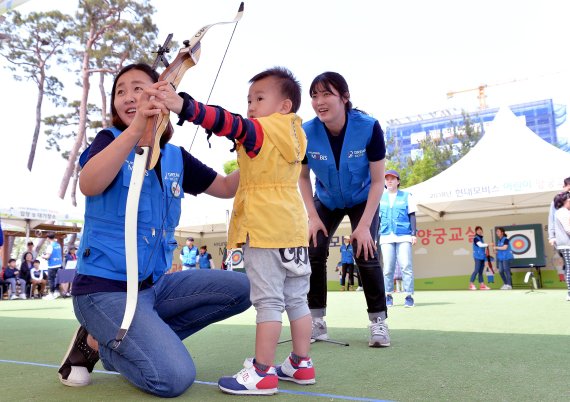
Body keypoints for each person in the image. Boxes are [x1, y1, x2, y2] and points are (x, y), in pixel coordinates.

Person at [56, 63, 251, 397]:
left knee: (245, 288)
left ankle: (108, 340)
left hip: (154, 288)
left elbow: (225, 187)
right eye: (121, 91)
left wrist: (255, 149)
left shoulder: (176, 156)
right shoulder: (110, 139)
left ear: (163, 94)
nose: (129, 97)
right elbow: (88, 183)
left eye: (138, 88)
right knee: (174, 378)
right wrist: (135, 131)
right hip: (104, 291)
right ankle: (104, 343)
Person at [163, 66, 315, 395]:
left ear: (284, 106)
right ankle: (301, 364)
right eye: (249, 100)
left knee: (269, 303)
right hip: (292, 228)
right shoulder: (297, 134)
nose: (251, 106)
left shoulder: (263, 130)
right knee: (297, 301)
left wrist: (185, 107)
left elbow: (227, 122)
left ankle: (262, 373)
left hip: (264, 229)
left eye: (259, 98)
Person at [298, 71, 389, 347]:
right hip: (326, 200)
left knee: (365, 249)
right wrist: (312, 217)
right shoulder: (305, 132)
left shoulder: (369, 127)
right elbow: (302, 177)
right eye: (314, 96)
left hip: (363, 196)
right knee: (314, 248)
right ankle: (316, 321)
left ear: (345, 98)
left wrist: (363, 228)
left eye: (327, 94)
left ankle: (378, 322)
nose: (319, 101)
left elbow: (377, 182)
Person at [379, 169, 417, 308]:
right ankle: (388, 295)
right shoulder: (379, 197)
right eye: (387, 178)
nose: (389, 181)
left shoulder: (407, 196)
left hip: (404, 235)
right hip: (385, 235)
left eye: (392, 178)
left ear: (398, 181)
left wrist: (414, 234)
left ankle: (409, 296)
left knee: (406, 265)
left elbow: (412, 215)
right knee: (388, 267)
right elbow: (376, 219)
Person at [548, 178, 570, 272]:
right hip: (564, 239)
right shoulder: (559, 200)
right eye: (567, 187)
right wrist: (551, 236)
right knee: (568, 265)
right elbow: (551, 219)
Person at [552, 191, 570, 301]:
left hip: (564, 244)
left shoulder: (561, 212)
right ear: (565, 201)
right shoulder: (563, 212)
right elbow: (568, 228)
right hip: (567, 244)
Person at [469, 226, 491, 290]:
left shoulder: (481, 239)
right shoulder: (476, 238)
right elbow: (480, 245)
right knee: (476, 270)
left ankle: (482, 285)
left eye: (480, 230)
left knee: (480, 272)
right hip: (477, 257)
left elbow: (483, 248)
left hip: (482, 257)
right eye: (478, 230)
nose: (479, 231)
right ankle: (471, 284)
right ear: (476, 232)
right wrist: (489, 244)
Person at [42, 233, 63, 300]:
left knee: (51, 280)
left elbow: (47, 257)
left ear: (48, 238)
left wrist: (43, 256)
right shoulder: (58, 245)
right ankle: (56, 292)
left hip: (52, 265)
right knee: (58, 279)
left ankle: (51, 294)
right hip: (59, 264)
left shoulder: (50, 246)